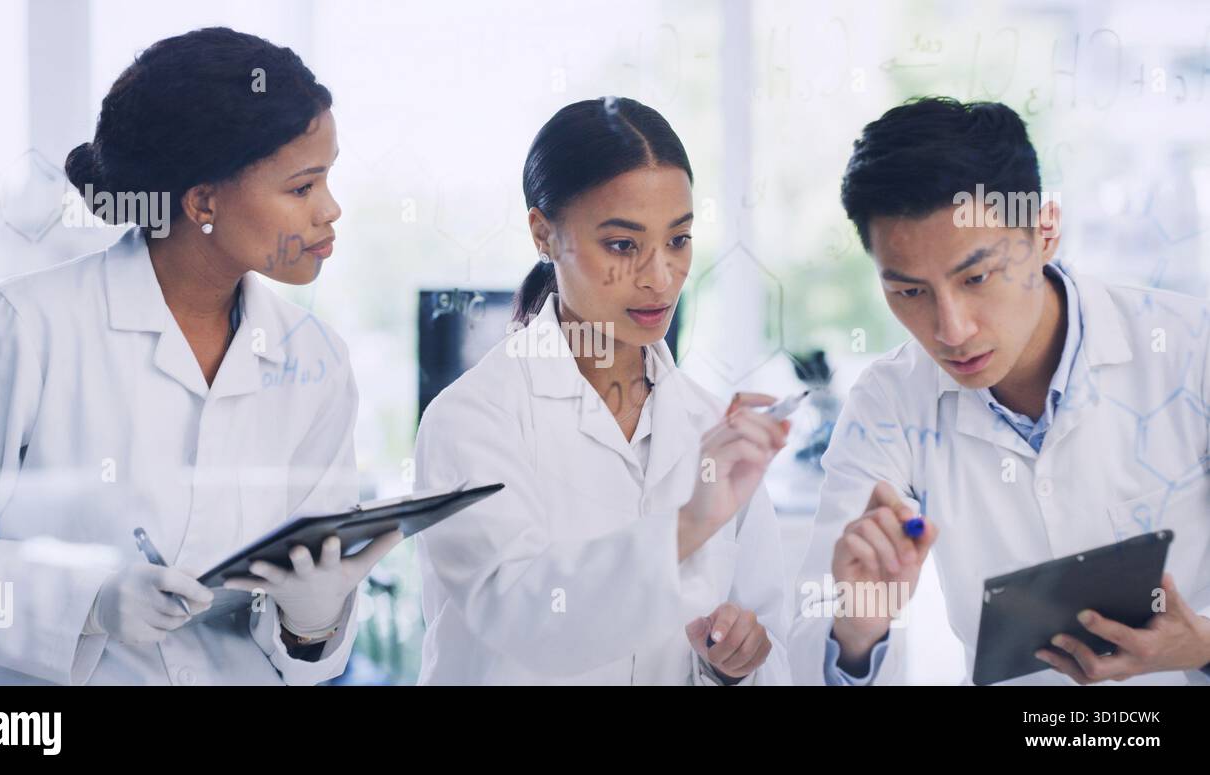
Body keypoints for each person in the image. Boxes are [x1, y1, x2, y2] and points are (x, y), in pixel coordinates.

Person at [0, 27, 399, 685]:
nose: (331, 210)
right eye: (303, 186)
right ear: (203, 201)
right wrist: (89, 600)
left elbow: (307, 648)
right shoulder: (17, 330)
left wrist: (310, 623)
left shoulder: (315, 359)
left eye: (328, 178)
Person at [789, 97, 1210, 686]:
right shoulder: (889, 400)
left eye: (976, 278)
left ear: (1045, 232)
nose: (951, 330)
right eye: (910, 292)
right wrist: (858, 628)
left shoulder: (1191, 350)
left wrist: (1200, 644)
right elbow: (813, 648)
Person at [414, 97, 793, 685]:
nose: (659, 276)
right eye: (622, 244)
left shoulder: (707, 424)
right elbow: (525, 621)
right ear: (544, 234)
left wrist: (734, 664)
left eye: (678, 240)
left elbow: (771, 642)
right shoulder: (472, 420)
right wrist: (690, 523)